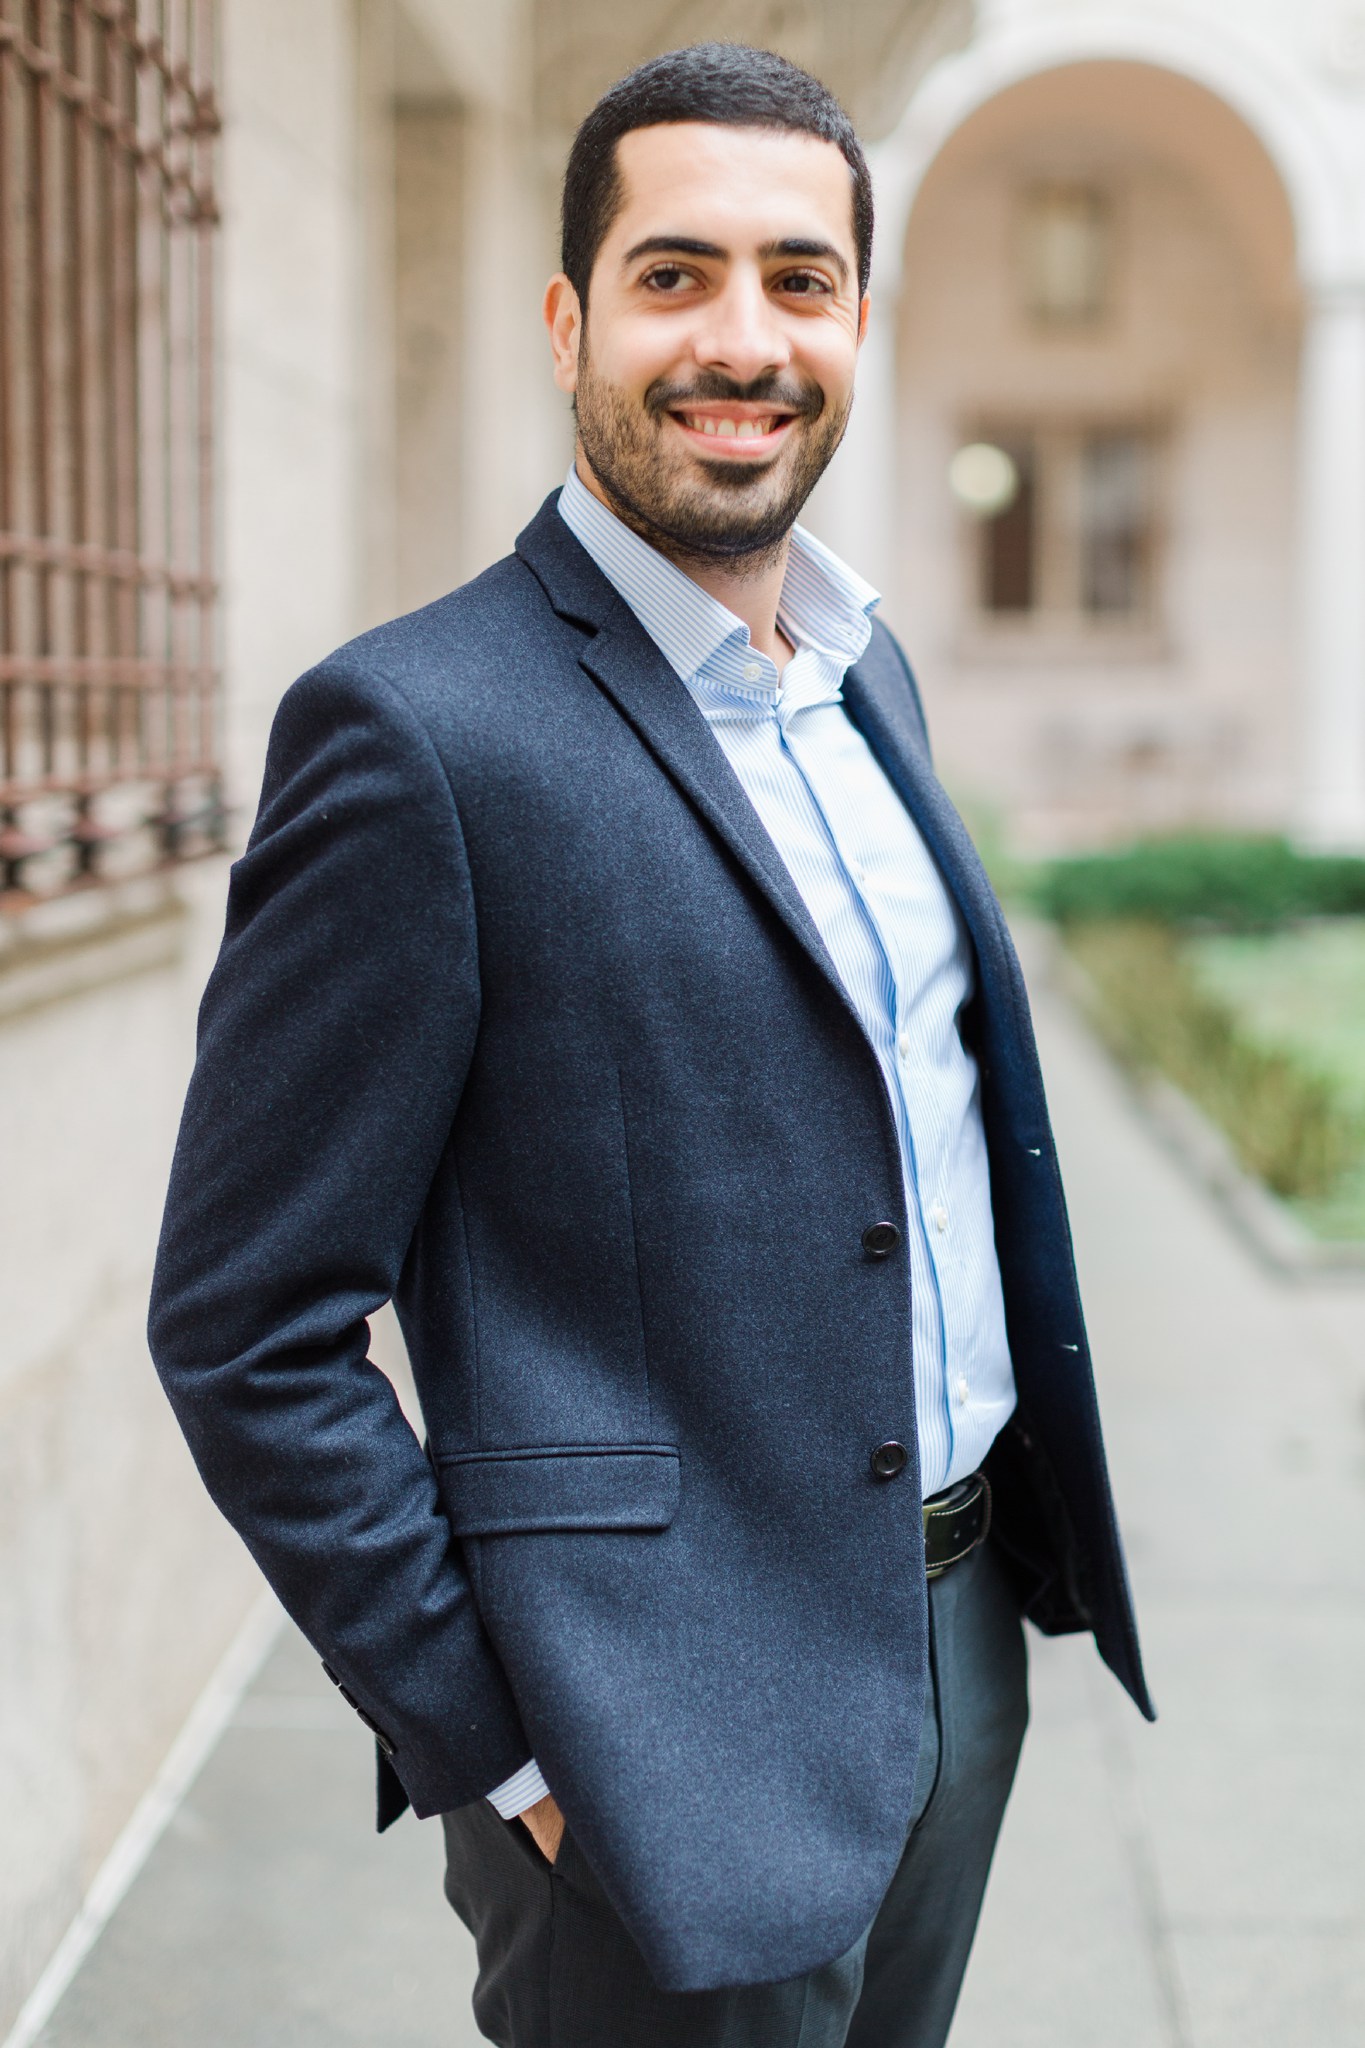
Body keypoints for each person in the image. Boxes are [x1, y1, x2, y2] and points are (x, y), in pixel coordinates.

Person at [149, 41, 1152, 2048]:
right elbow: (244, 1322)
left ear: (855, 321)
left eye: (796, 278)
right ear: (565, 320)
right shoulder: (416, 737)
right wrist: (492, 1744)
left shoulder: (868, 689)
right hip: (640, 1737)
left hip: (956, 1634)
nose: (740, 336)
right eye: (674, 274)